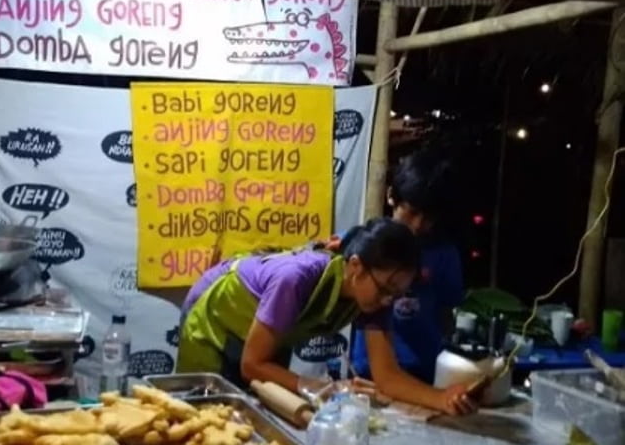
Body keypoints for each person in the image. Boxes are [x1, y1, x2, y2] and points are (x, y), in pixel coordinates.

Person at [176, 218, 475, 415]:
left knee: (259, 410)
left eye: (396, 294)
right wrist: (321, 388)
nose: (387, 300)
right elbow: (253, 365)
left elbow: (387, 376)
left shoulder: (375, 298)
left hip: (259, 331)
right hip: (213, 316)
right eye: (385, 289)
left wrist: (443, 398)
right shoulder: (296, 278)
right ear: (356, 266)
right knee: (204, 415)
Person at [350, 149, 465, 384]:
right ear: (391, 196)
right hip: (367, 372)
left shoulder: (444, 255)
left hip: (424, 371)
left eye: (428, 218)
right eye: (411, 212)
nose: (417, 225)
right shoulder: (364, 245)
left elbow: (446, 314)